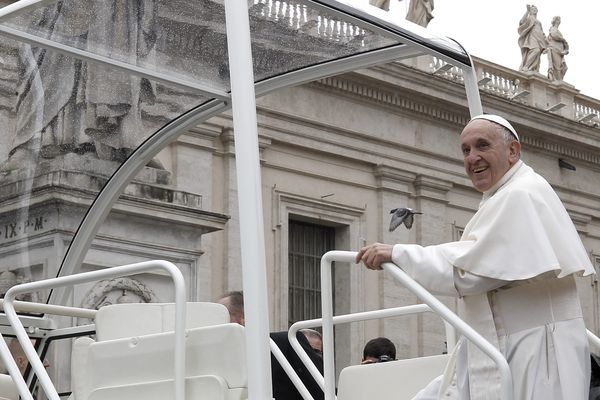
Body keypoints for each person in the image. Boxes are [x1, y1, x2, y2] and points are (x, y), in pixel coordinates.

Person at [356, 114, 595, 399]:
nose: (473, 158)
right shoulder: (504, 194)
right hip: (500, 342)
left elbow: (468, 271)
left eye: (482, 146)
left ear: (513, 150)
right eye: (466, 150)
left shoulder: (521, 194)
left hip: (535, 350)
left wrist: (398, 253)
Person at [216, 291, 324, 399]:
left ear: (242, 318)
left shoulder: (286, 343)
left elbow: (319, 389)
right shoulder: (216, 355)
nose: (214, 323)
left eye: (221, 315)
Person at [517, 4, 547, 73]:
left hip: (539, 39)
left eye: (536, 9)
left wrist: (546, 43)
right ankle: (526, 66)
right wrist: (527, 11)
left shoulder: (539, 22)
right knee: (536, 50)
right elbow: (521, 22)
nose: (535, 10)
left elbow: (542, 32)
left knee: (538, 52)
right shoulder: (529, 18)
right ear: (530, 11)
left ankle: (532, 68)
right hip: (531, 37)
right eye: (533, 9)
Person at [546, 16, 569, 81]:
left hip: (560, 50)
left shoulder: (556, 29)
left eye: (559, 20)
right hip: (554, 48)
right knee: (557, 66)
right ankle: (557, 80)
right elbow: (554, 35)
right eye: (558, 20)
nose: (559, 21)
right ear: (555, 21)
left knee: (562, 67)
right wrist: (563, 39)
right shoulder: (553, 28)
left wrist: (565, 48)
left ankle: (559, 79)